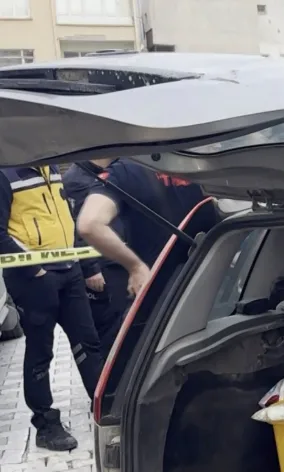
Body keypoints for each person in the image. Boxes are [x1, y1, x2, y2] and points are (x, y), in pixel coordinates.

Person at [0, 165, 103, 451]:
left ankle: (104, 404)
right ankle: (46, 425)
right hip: (32, 278)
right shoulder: (5, 174)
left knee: (88, 342)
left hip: (70, 271)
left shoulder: (51, 167)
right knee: (40, 351)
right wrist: (35, 270)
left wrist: (88, 266)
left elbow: (68, 218)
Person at [77, 158, 219, 297]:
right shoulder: (205, 160)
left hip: (162, 288)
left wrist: (135, 266)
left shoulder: (124, 170)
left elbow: (89, 224)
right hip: (216, 272)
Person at [62, 159, 130, 357]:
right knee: (110, 327)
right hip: (102, 266)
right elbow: (77, 228)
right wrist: (91, 268)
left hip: (118, 259)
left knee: (125, 320)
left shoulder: (108, 171)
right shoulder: (76, 180)